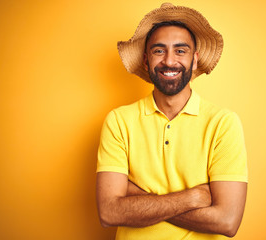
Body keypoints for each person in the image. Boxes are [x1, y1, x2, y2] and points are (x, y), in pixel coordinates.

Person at [96, 3, 248, 239]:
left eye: (180, 50)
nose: (169, 61)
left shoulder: (223, 123)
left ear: (194, 60)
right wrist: (193, 198)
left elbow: (226, 221)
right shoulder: (119, 121)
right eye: (159, 50)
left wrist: (136, 197)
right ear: (146, 61)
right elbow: (109, 212)